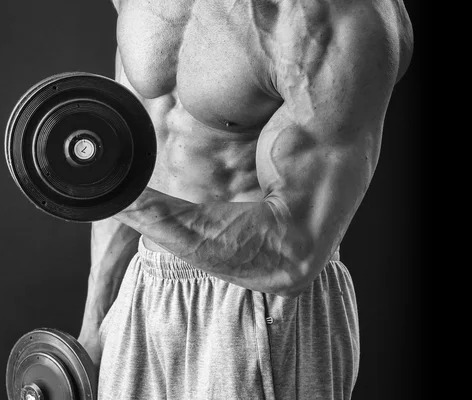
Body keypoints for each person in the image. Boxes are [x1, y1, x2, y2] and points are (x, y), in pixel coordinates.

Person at [78, 0, 413, 398]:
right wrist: (94, 327)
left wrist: (105, 192)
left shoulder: (340, 16)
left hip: (260, 308)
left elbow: (293, 251)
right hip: (143, 297)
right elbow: (133, 142)